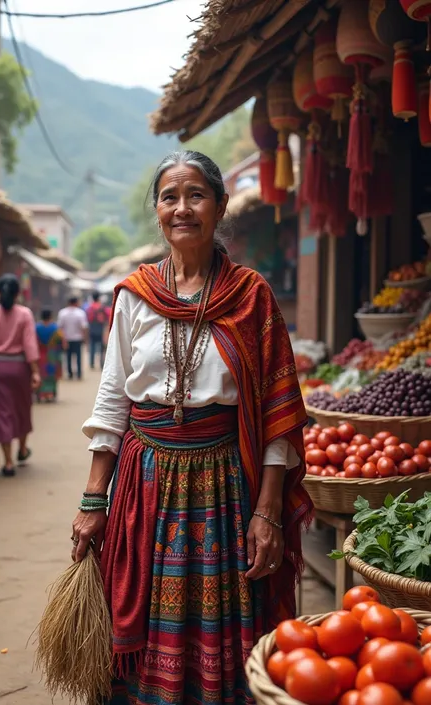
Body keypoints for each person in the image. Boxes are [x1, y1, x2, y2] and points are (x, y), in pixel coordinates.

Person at [72, 151, 312, 705]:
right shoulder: (135, 296)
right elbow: (113, 400)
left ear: (221, 206)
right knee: (144, 612)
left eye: (196, 195)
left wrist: (268, 511)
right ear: (157, 210)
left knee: (221, 621)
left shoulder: (251, 297)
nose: (182, 208)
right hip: (145, 481)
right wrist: (93, 499)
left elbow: (278, 412)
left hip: (224, 487)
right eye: (169, 196)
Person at [0, 274, 40, 476]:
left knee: (1, 412)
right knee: (21, 409)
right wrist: (35, 371)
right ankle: (22, 449)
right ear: (17, 294)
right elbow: (30, 345)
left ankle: (8, 462)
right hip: (20, 368)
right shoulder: (25, 314)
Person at [35, 309, 63, 402]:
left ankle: (40, 394)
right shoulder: (55, 328)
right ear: (50, 316)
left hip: (40, 354)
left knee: (41, 373)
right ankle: (51, 394)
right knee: (52, 375)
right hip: (52, 355)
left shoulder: (36, 328)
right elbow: (61, 341)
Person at [57, 296, 88, 380]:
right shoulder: (80, 313)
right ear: (76, 303)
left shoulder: (62, 313)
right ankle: (78, 374)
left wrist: (63, 339)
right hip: (78, 338)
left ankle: (70, 373)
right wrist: (85, 338)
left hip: (66, 338)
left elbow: (60, 328)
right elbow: (84, 327)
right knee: (78, 357)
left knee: (68, 357)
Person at [86, 291, 109, 370]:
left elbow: (87, 318)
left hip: (92, 327)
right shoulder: (102, 307)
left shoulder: (89, 307)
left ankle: (91, 363)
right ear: (99, 298)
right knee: (101, 347)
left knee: (92, 346)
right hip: (100, 327)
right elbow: (108, 316)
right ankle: (101, 364)